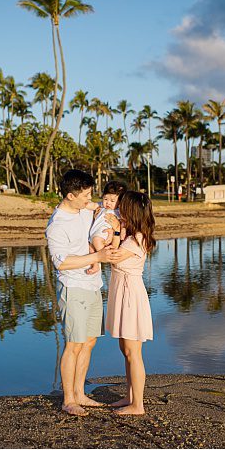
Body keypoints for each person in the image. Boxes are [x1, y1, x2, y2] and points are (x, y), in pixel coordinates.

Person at [46, 169, 131, 416]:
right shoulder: (57, 224)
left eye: (90, 193)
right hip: (73, 287)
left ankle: (81, 393)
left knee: (90, 341)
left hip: (93, 286)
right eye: (85, 195)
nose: (89, 198)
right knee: (73, 344)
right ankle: (69, 399)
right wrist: (98, 256)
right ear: (70, 196)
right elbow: (61, 262)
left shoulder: (84, 208)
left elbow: (109, 205)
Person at [103, 190, 156, 416]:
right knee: (125, 349)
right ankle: (130, 395)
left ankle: (138, 405)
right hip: (121, 291)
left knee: (134, 352)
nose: (118, 210)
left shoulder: (138, 239)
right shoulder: (130, 234)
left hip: (131, 295)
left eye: (122, 207)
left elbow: (111, 255)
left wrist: (115, 228)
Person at [85, 181, 128, 276]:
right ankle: (95, 265)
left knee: (96, 241)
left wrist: (115, 231)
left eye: (112, 201)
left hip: (102, 233)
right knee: (90, 249)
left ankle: (106, 255)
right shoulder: (100, 206)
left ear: (120, 202)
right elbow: (90, 205)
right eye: (105, 199)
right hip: (93, 233)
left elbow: (123, 223)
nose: (108, 203)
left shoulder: (118, 212)